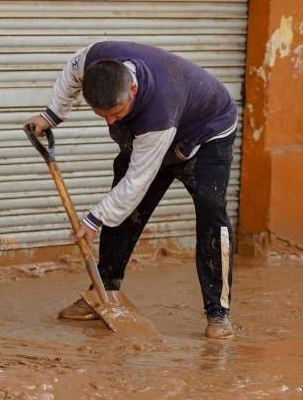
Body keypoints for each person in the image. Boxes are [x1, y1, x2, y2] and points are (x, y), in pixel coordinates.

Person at [26, 41, 237, 339]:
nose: (110, 122)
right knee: (124, 213)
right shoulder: (93, 58)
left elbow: (138, 180)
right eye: (103, 115)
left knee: (211, 215)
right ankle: (104, 294)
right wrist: (51, 115)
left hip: (206, 133)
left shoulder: (159, 111)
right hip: (151, 134)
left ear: (133, 91)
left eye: (116, 112)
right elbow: (71, 73)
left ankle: (218, 313)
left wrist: (93, 219)